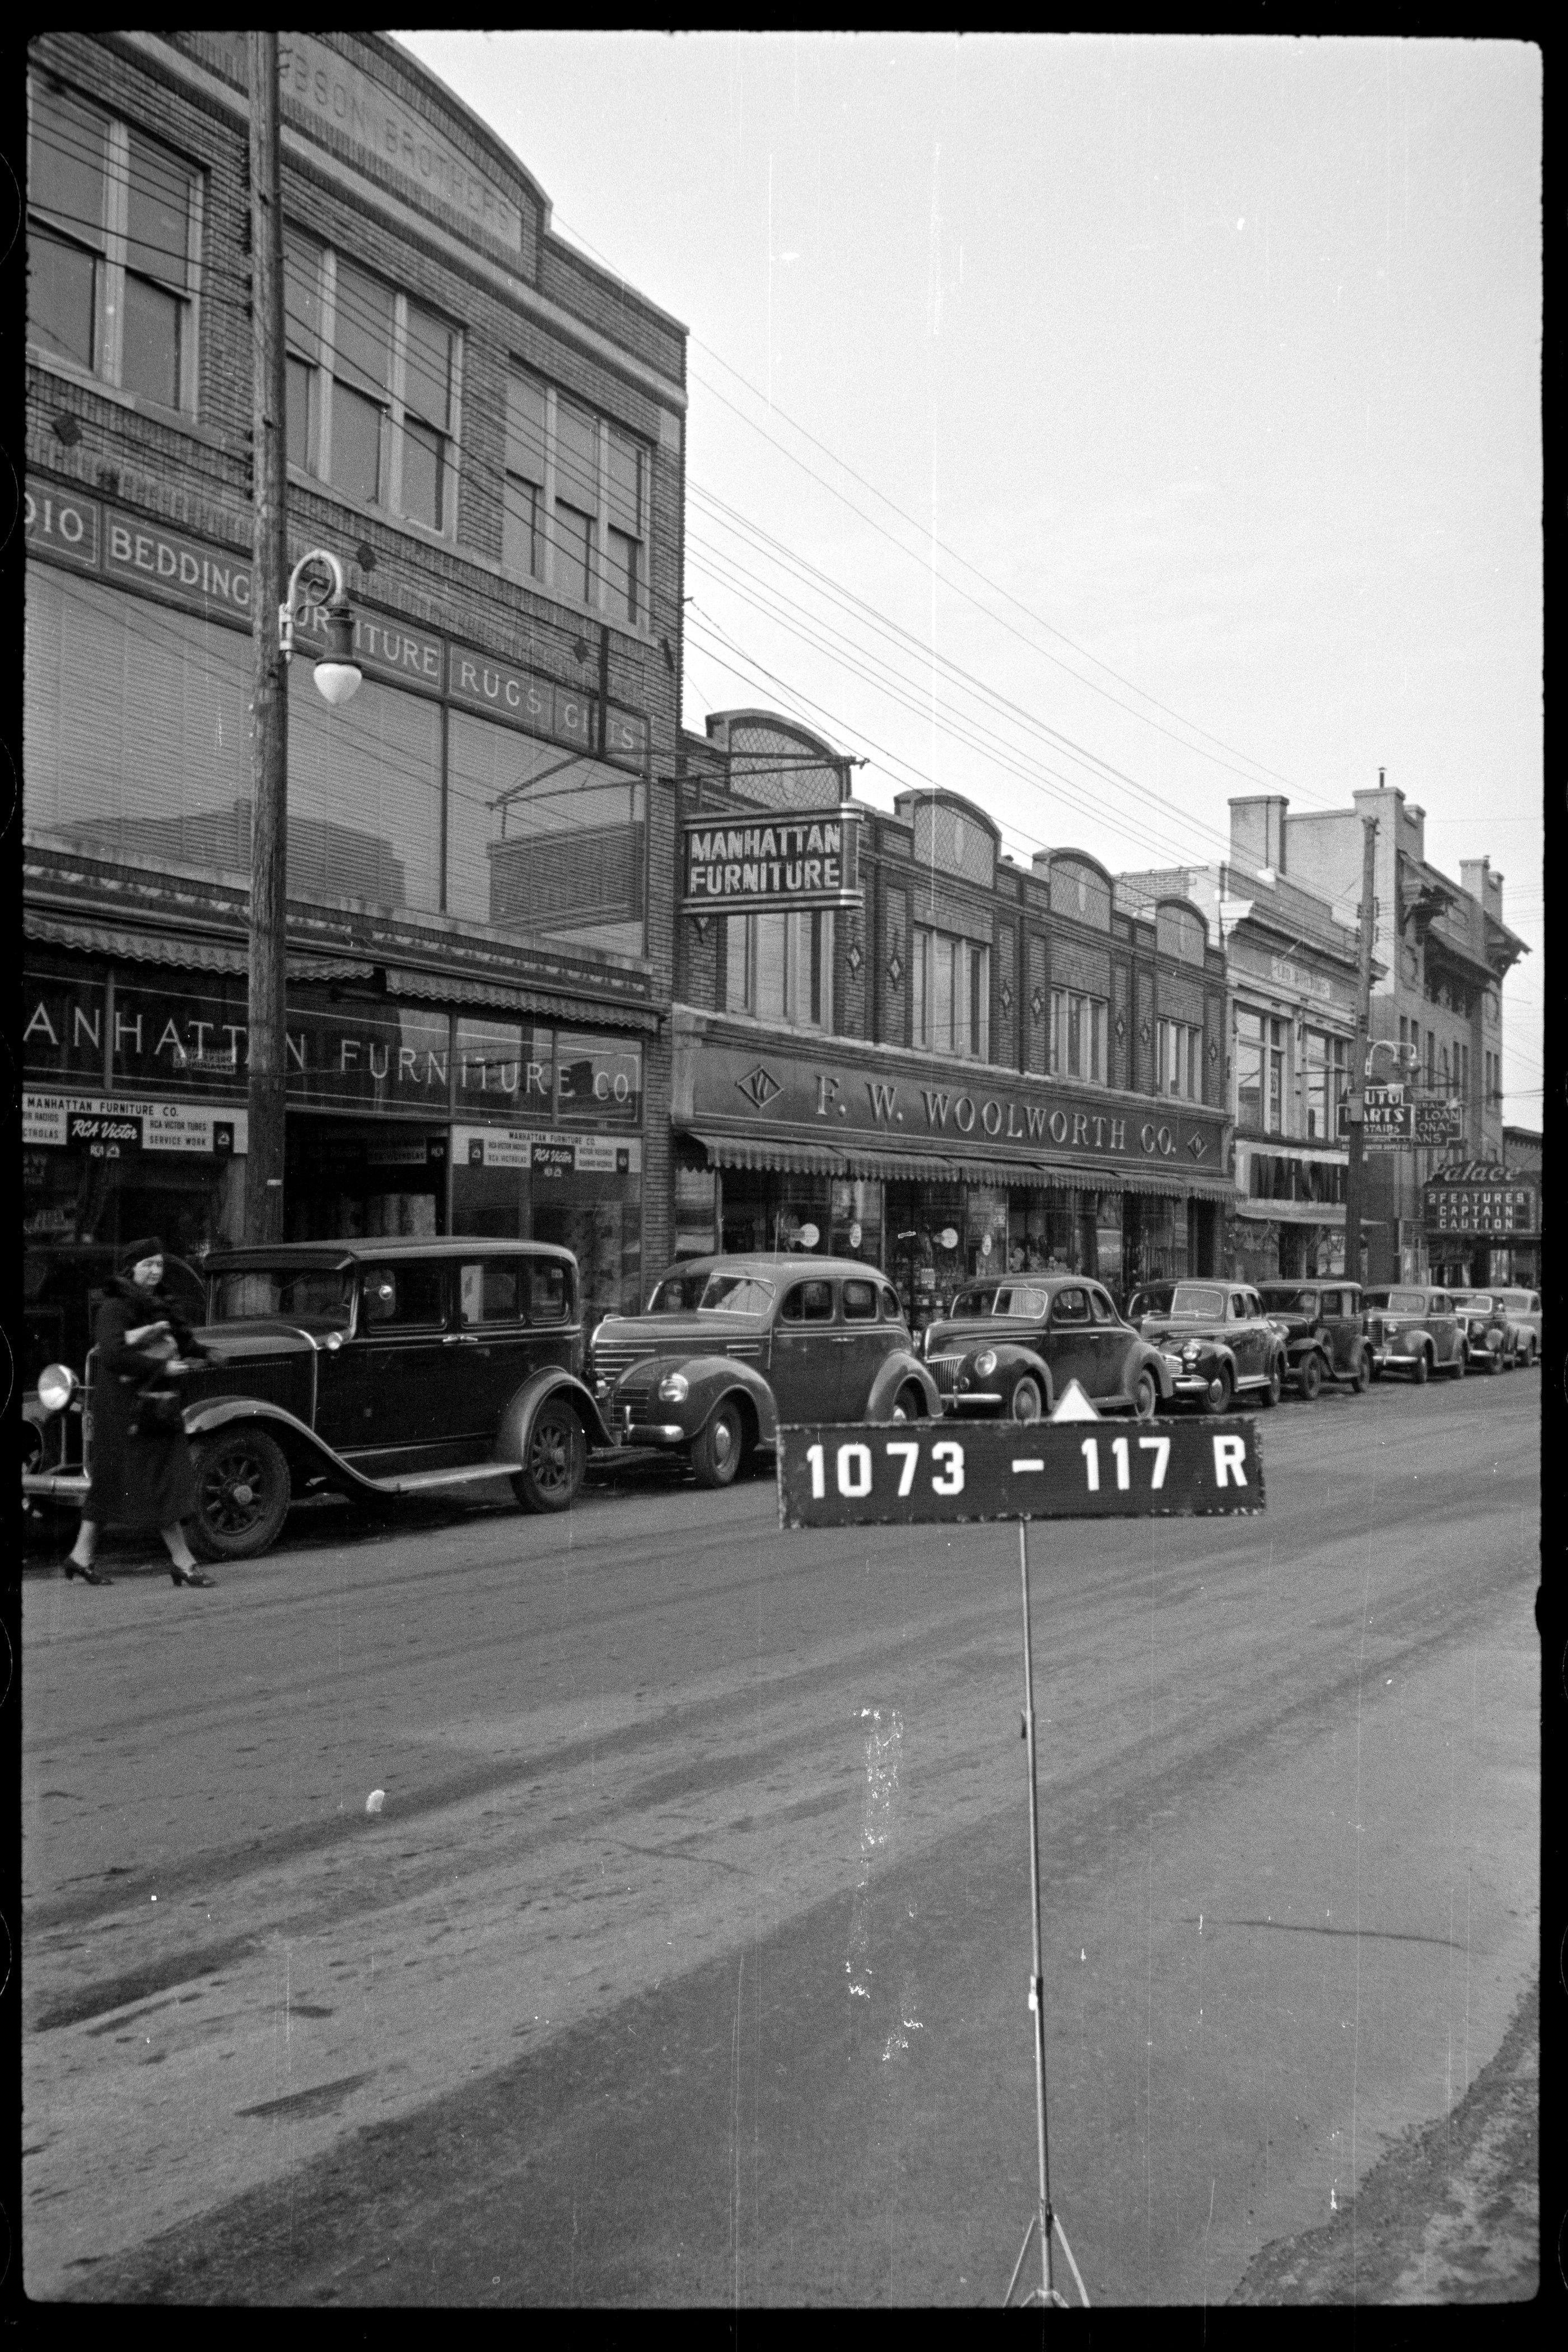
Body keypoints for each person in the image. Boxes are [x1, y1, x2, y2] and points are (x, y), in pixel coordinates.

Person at [65, 1238, 216, 1589]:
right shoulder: (115, 1307)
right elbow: (113, 1356)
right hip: (127, 1410)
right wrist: (163, 1367)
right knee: (161, 1481)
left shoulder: (160, 1305)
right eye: (148, 1264)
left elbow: (185, 1341)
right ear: (131, 1268)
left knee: (111, 1483)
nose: (155, 1271)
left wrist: (207, 1352)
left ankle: (80, 1556)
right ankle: (184, 1563)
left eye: (160, 1264)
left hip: (152, 1406)